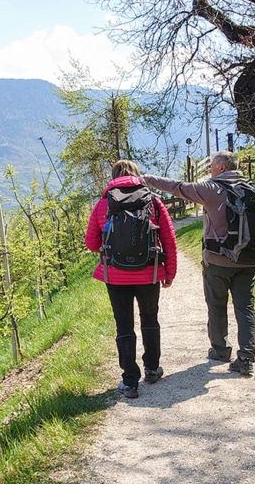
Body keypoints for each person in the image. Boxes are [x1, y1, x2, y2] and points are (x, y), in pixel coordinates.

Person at [142, 151, 255, 376]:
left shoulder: (211, 189)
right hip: (248, 259)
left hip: (218, 260)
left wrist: (148, 179)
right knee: (245, 307)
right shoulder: (251, 187)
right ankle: (245, 358)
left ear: (222, 168)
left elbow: (178, 187)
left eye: (212, 166)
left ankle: (221, 350)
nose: (210, 170)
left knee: (216, 305)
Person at [85, 159, 178, 398]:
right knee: (150, 319)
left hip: (115, 277)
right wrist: (170, 272)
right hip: (149, 273)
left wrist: (115, 252)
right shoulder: (154, 202)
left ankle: (129, 381)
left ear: (113, 176)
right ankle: (152, 369)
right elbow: (168, 239)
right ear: (137, 175)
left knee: (124, 325)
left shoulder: (102, 205)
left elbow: (91, 243)